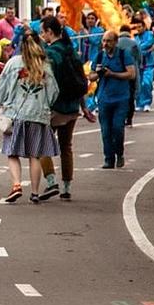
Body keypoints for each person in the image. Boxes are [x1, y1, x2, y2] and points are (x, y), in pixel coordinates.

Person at [0, 31, 59, 203]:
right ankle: (35, 193)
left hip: (15, 114)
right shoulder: (45, 66)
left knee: (12, 152)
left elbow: (2, 86)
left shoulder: (13, 63)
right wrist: (45, 105)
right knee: (34, 155)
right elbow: (54, 92)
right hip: (38, 115)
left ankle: (16, 185)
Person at [38, 17, 94, 201]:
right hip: (73, 106)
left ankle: (51, 181)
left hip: (56, 106)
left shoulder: (51, 53)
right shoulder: (72, 51)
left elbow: (47, 80)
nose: (41, 35)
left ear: (49, 32)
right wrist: (84, 107)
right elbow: (80, 79)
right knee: (66, 146)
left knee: (41, 144)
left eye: (43, 31)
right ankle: (67, 186)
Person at [90, 31, 137, 169]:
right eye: (104, 41)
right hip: (104, 98)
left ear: (116, 42)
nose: (105, 44)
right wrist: (98, 73)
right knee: (105, 130)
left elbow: (131, 74)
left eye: (108, 41)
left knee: (117, 127)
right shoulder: (99, 56)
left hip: (121, 97)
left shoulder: (123, 55)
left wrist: (112, 74)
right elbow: (91, 76)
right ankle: (108, 158)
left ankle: (119, 153)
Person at [117, 26, 141, 124]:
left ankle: (121, 116)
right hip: (132, 71)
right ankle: (129, 118)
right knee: (130, 95)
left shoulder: (116, 43)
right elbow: (139, 58)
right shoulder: (134, 43)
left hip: (119, 72)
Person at [134, 22, 154, 112]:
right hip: (138, 64)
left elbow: (147, 44)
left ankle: (147, 102)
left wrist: (141, 49)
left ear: (144, 27)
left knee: (146, 83)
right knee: (138, 84)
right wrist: (146, 50)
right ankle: (139, 103)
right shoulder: (135, 38)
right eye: (136, 27)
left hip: (149, 63)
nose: (138, 29)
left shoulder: (149, 35)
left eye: (140, 27)